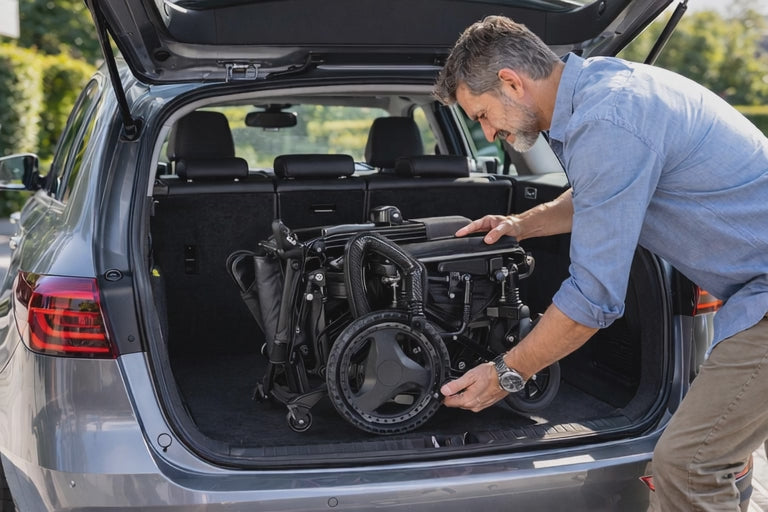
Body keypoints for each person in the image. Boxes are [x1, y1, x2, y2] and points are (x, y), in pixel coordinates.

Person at [433, 15, 768, 511]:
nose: (487, 131)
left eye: (482, 114)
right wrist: (522, 224)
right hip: (753, 292)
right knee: (722, 457)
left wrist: (506, 374)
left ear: (511, 83)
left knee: (689, 466)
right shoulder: (605, 90)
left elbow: (594, 298)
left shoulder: (609, 117)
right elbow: (602, 191)